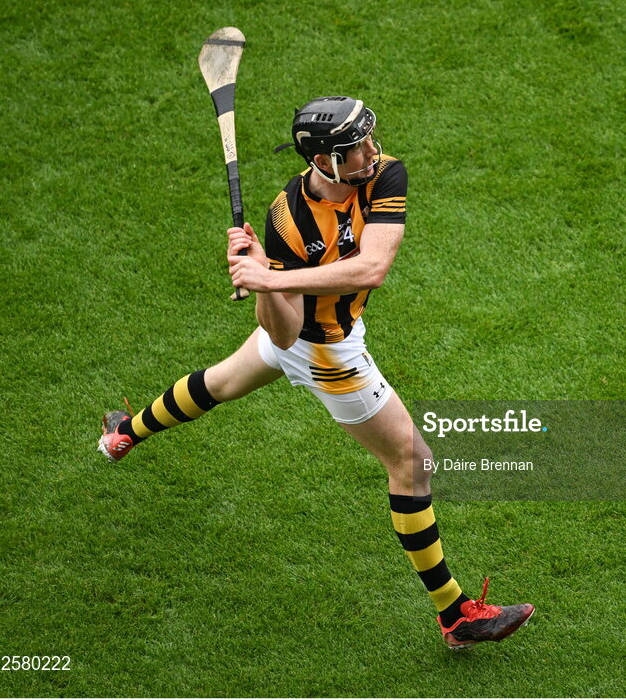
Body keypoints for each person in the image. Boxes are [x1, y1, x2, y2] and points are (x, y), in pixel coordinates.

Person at [98, 96, 534, 649]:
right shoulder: (287, 218)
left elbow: (373, 266)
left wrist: (269, 278)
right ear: (324, 161)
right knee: (412, 461)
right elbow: (284, 334)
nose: (373, 154)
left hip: (325, 323)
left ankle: (122, 434)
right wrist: (265, 281)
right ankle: (456, 616)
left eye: (371, 140)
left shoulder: (383, 175)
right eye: (357, 150)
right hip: (325, 351)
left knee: (221, 382)